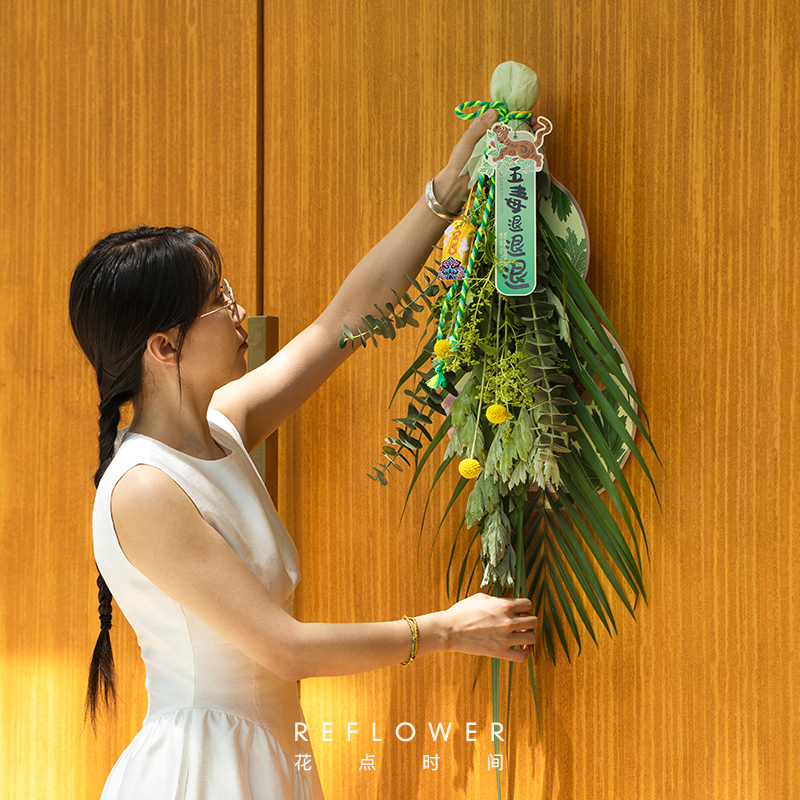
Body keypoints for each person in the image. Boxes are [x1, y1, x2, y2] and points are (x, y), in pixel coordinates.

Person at [69, 108, 538, 800]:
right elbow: (284, 649)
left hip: (263, 755)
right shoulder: (142, 490)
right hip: (203, 774)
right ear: (163, 348)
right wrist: (443, 630)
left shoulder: (222, 425)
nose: (238, 313)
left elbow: (344, 322)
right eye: (217, 303)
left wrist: (446, 193)